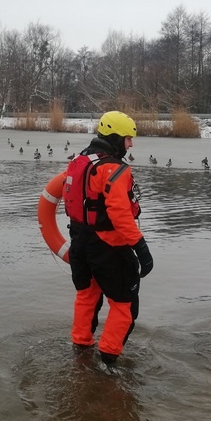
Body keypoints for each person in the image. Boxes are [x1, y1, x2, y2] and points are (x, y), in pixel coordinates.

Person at [63, 110, 153, 366]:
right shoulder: (114, 168)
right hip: (108, 246)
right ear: (116, 138)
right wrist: (141, 247)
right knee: (124, 304)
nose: (131, 144)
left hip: (79, 242)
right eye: (128, 139)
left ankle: (80, 349)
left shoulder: (80, 160)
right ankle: (109, 359)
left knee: (86, 296)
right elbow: (120, 214)